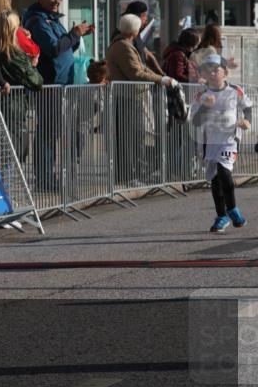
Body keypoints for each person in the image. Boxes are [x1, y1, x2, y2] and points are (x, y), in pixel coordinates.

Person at [107, 14, 180, 186]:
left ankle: (131, 174)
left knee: (134, 137)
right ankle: (130, 176)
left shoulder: (122, 45)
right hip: (129, 97)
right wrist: (161, 79)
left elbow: (140, 69)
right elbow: (136, 73)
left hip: (129, 96)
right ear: (135, 30)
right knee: (132, 138)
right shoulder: (124, 47)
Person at [189, 54, 253, 232]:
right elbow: (195, 122)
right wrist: (205, 107)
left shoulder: (235, 90)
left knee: (224, 172)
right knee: (215, 180)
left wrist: (246, 121)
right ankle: (221, 216)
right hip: (209, 142)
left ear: (225, 72)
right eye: (207, 69)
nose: (212, 72)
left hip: (229, 141)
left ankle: (232, 209)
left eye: (216, 69)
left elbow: (247, 107)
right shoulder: (201, 95)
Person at [0, 10, 42, 165]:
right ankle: (5, 189)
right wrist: (33, 65)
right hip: (12, 108)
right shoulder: (14, 54)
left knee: (4, 152)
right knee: (13, 153)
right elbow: (36, 82)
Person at [24, 0, 94, 86]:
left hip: (62, 83)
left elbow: (66, 48)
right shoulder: (38, 22)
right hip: (50, 84)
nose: (57, 2)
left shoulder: (54, 20)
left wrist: (78, 35)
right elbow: (54, 49)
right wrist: (74, 34)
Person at [122, 0, 164, 76]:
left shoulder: (136, 35)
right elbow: (135, 70)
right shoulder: (124, 37)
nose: (146, 19)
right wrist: (161, 78)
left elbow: (148, 56)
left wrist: (162, 75)